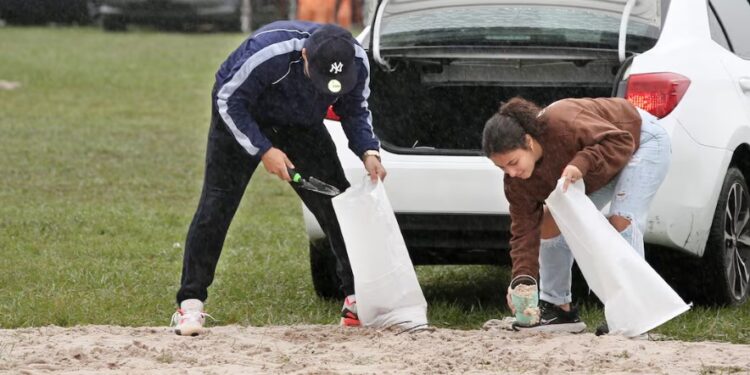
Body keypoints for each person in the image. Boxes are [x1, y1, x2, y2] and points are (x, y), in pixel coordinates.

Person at [171, 20, 386, 336]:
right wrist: (264, 149)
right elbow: (227, 99)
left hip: (301, 125)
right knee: (217, 206)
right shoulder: (267, 53)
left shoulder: (357, 61)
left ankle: (356, 301)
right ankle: (190, 305)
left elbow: (354, 110)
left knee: (337, 205)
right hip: (243, 117)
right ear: (304, 57)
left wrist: (369, 151)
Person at [482, 97, 670, 333]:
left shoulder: (563, 120)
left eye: (513, 162)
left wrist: (581, 163)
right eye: (502, 168)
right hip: (595, 165)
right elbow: (523, 232)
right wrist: (522, 280)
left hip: (641, 140)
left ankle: (635, 315)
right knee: (550, 220)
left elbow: (621, 140)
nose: (511, 172)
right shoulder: (516, 183)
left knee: (621, 218)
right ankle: (558, 309)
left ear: (528, 142)